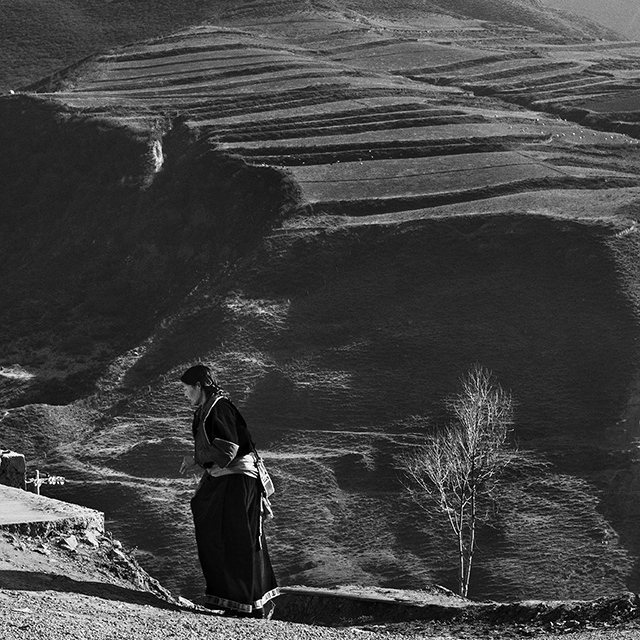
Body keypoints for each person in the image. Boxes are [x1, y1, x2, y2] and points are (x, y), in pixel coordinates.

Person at [179, 364, 279, 618]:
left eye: (187, 389)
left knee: (233, 540)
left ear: (199, 387)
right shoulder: (208, 408)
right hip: (229, 479)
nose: (185, 395)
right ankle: (234, 601)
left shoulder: (219, 408)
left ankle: (244, 605)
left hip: (236, 480)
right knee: (222, 532)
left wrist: (195, 458)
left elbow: (227, 451)